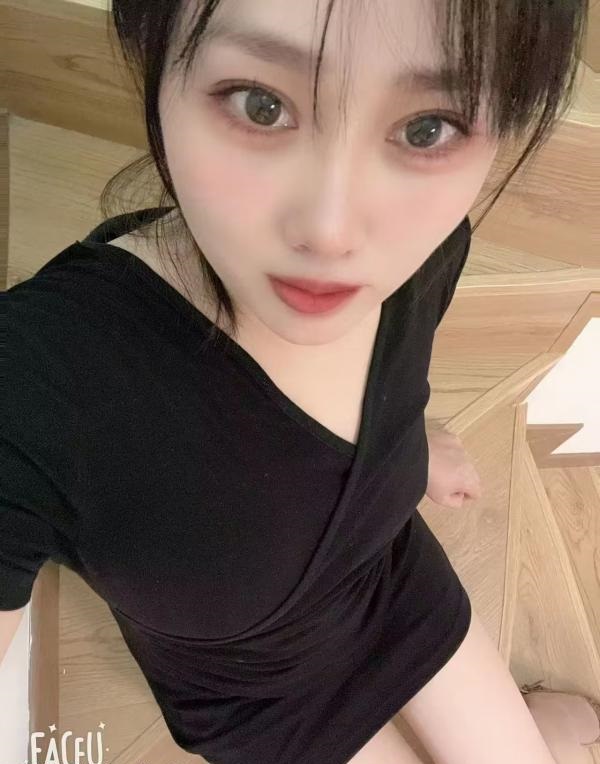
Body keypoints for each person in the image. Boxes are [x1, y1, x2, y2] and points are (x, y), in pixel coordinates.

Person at [2, 0, 597, 762]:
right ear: (151, 52)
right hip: (258, 700)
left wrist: (408, 439)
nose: (331, 232)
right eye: (261, 104)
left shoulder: (433, 249)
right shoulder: (39, 382)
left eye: (427, 128)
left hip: (386, 580)